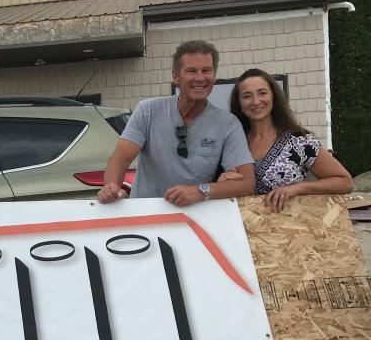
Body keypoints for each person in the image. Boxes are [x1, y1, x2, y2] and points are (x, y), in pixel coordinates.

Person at [97, 40, 255, 206]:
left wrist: (201, 191)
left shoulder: (227, 124)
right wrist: (112, 186)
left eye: (207, 70)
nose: (200, 78)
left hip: (196, 218)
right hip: (146, 215)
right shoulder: (148, 110)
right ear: (176, 76)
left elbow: (247, 183)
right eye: (191, 71)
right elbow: (120, 160)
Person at [217, 68, 353, 212]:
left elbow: (345, 182)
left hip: (289, 230)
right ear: (240, 105)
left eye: (262, 93)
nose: (256, 101)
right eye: (247, 96)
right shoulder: (231, 143)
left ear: (274, 97)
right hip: (242, 230)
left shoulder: (300, 141)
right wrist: (222, 183)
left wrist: (297, 188)